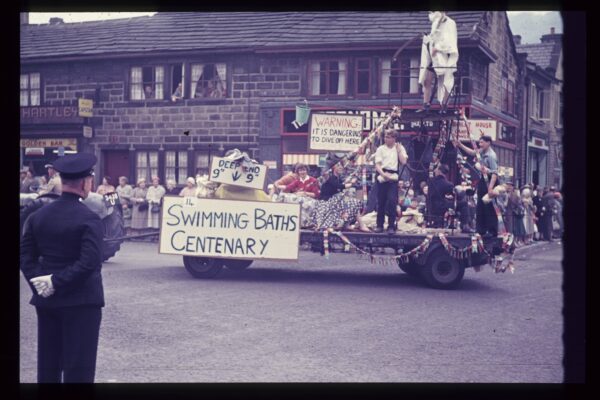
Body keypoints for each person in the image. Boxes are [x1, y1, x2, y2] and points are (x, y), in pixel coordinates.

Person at [20, 152, 104, 383]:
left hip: (47, 301)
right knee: (79, 370)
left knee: (48, 365)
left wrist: (40, 282)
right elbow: (89, 262)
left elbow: (25, 255)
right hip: (81, 302)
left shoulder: (39, 216)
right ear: (85, 183)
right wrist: (56, 281)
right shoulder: (89, 218)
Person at [453, 135, 499, 237]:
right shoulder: (482, 151)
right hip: (483, 179)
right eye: (480, 142)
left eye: (482, 142)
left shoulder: (491, 156)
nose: (480, 144)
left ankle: (492, 231)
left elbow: (495, 173)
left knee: (489, 206)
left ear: (488, 143)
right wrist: (460, 145)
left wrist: (490, 188)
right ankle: (481, 229)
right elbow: (473, 152)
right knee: (480, 205)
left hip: (491, 180)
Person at [417, 11, 459, 114]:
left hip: (444, 58)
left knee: (446, 81)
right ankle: (426, 104)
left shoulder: (450, 23)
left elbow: (451, 42)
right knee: (427, 80)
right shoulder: (435, 22)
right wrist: (427, 40)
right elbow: (433, 39)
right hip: (433, 58)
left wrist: (438, 48)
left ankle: (444, 105)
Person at [308, 163, 370, 232]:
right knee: (347, 201)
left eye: (341, 166)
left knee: (354, 203)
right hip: (327, 201)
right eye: (338, 166)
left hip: (336, 200)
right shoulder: (330, 177)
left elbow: (341, 187)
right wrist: (351, 184)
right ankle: (358, 225)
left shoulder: (338, 178)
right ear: (333, 167)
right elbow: (338, 186)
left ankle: (352, 224)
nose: (340, 167)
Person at [373, 129, 408, 234]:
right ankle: (379, 225)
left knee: (392, 201)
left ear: (394, 138)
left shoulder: (399, 147)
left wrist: (398, 151)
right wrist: (383, 174)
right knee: (381, 201)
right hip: (382, 175)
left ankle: (391, 226)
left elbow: (404, 161)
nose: (386, 139)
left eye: (389, 137)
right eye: (385, 137)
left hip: (393, 176)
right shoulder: (380, 149)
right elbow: (377, 164)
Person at [427, 164, 454, 228]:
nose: (434, 171)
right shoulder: (449, 184)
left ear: (439, 171)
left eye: (436, 169)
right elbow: (451, 196)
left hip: (430, 206)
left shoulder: (430, 181)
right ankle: (462, 224)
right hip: (441, 207)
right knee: (461, 203)